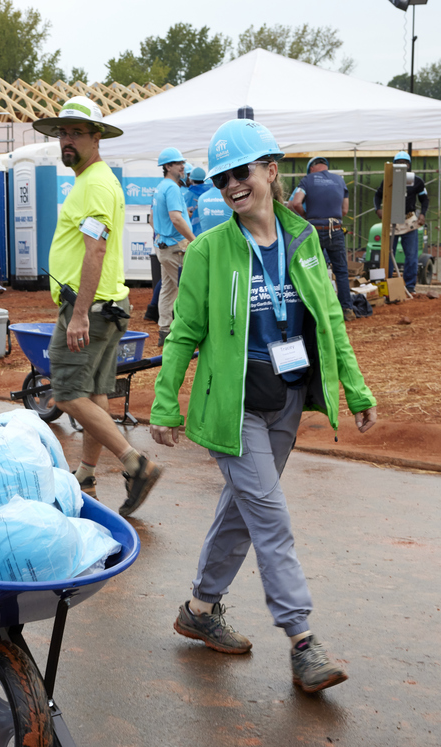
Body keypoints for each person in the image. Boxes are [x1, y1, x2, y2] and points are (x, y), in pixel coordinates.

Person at [149, 119, 378, 693]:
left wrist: (356, 390)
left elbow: (330, 322)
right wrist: (164, 404)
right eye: (223, 177)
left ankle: (199, 611)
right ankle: (302, 641)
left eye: (242, 172)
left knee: (243, 510)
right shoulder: (208, 251)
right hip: (235, 407)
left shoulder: (304, 243)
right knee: (270, 518)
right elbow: (182, 333)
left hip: (289, 401)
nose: (232, 185)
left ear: (271, 171)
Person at [31, 95, 164, 516]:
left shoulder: (96, 184)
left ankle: (134, 463)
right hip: (108, 304)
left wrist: (80, 313)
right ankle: (86, 475)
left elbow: (95, 251)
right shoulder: (94, 181)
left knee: (68, 394)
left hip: (89, 308)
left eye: (75, 133)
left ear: (96, 137)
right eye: (62, 133)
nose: (66, 141)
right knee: (94, 393)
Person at [289, 156, 355, 321]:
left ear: (311, 168)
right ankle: (347, 309)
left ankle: (317, 309)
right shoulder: (340, 181)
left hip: (315, 229)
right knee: (340, 271)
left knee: (312, 268)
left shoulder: (307, 180)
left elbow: (296, 203)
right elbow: (345, 210)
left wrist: (306, 217)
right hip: (336, 228)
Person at [153, 147, 195, 346]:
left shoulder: (161, 187)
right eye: (179, 163)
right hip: (175, 247)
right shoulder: (172, 188)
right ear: (168, 166)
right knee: (187, 289)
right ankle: (185, 334)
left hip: (164, 245)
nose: (183, 166)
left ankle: (164, 330)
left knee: (168, 289)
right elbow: (176, 218)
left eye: (182, 163)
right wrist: (194, 240)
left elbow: (152, 219)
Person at [373, 151, 429, 293]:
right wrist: (377, 209)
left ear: (409, 165)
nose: (402, 165)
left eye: (405, 162)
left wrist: (422, 214)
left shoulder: (416, 181)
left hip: (409, 221)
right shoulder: (388, 179)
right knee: (388, 253)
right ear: (393, 165)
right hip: (391, 220)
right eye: (399, 163)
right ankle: (389, 286)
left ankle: (410, 287)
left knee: (411, 255)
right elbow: (377, 195)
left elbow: (424, 199)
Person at [184, 166, 211, 236]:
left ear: (191, 180)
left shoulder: (187, 195)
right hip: (208, 231)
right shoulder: (210, 192)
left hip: (192, 233)